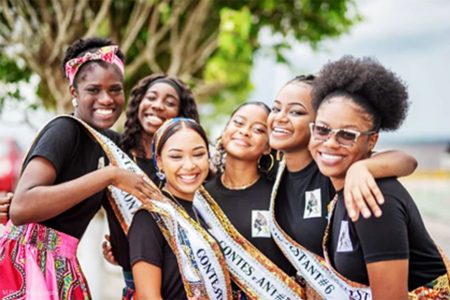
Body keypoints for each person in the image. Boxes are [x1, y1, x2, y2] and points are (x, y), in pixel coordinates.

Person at [0, 37, 153, 299]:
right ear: (74, 92)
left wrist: (121, 250)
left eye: (115, 89)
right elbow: (23, 207)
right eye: (93, 89)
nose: (106, 99)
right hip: (24, 264)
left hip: (63, 267)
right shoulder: (64, 130)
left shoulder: (111, 145)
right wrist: (108, 175)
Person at [309, 56, 449, 299]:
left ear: (372, 140)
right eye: (322, 129)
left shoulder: (374, 197)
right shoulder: (342, 189)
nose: (330, 142)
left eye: (347, 135)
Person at [267, 74, 418, 297]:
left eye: (297, 111)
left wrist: (363, 168)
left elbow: (406, 160)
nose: (280, 118)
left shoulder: (338, 171)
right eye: (276, 108)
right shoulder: (273, 172)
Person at [102, 74, 200, 298]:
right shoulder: (115, 156)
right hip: (137, 285)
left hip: (184, 284)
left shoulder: (189, 168)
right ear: (139, 103)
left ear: (180, 115)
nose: (157, 105)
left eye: (170, 102)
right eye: (152, 97)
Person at [202, 101, 299, 297]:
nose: (245, 131)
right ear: (225, 130)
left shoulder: (279, 196)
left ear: (267, 147)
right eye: (238, 123)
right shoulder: (202, 198)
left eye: (258, 129)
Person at [128, 118, 231, 299]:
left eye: (198, 154)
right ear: (159, 161)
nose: (190, 165)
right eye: (176, 156)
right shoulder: (149, 218)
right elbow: (147, 296)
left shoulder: (206, 213)